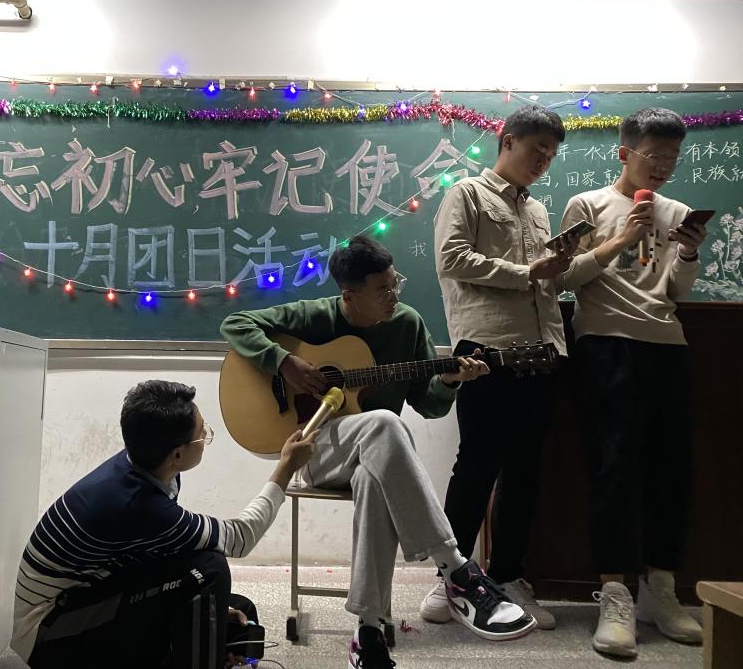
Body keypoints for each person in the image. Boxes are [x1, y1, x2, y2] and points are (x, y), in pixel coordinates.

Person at [220, 234, 535, 669]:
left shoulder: (407, 325)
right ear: (350, 296)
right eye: (382, 289)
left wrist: (450, 381)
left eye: (395, 283)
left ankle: (367, 632)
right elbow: (235, 323)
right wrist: (285, 362)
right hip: (316, 449)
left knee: (375, 474)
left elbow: (427, 404)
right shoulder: (315, 316)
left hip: (378, 455)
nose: (393, 295)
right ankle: (456, 568)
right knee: (386, 422)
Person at [10, 379, 317, 669]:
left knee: (232, 609)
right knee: (210, 570)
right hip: (47, 636)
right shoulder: (138, 503)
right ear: (177, 454)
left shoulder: (145, 465)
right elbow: (239, 538)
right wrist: (286, 466)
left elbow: (160, 558)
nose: (206, 436)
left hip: (83, 602)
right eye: (203, 432)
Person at [556, 107, 706, 658]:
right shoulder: (586, 205)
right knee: (613, 466)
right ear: (624, 153)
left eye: (673, 157)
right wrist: (621, 239)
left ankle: (660, 590)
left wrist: (687, 251)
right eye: (654, 155)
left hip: (667, 344)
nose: (664, 166)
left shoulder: (678, 211)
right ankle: (615, 594)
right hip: (604, 342)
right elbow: (564, 276)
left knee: (672, 468)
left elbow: (676, 289)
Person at [426, 104, 573, 630]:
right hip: (485, 351)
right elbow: (451, 258)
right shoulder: (466, 194)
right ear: (507, 141)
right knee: (477, 465)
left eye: (551, 155)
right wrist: (528, 271)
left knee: (525, 472)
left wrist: (560, 268)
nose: (544, 161)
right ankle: (450, 577)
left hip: (541, 352)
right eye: (538, 149)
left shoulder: (539, 210)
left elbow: (543, 281)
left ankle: (508, 576)